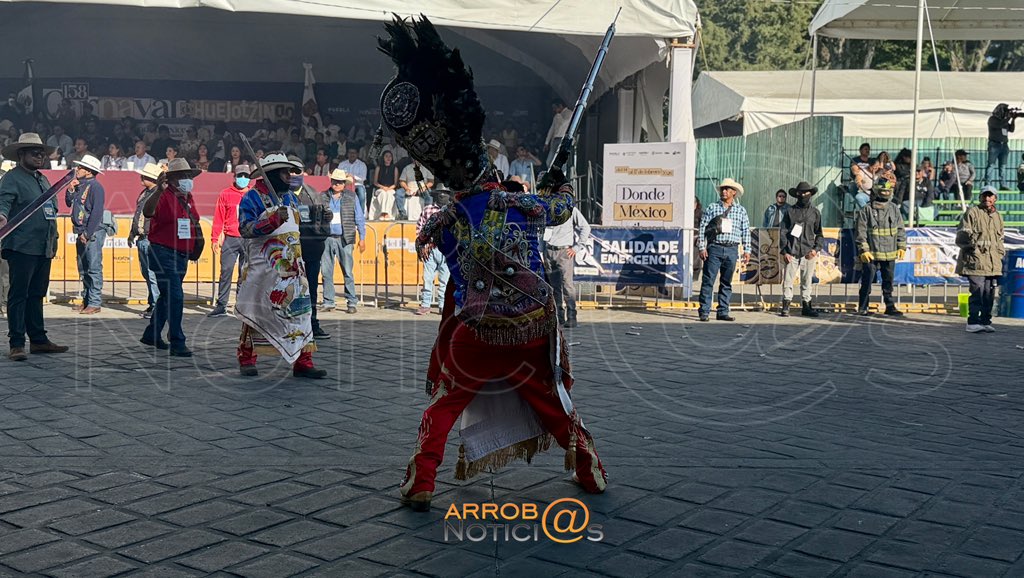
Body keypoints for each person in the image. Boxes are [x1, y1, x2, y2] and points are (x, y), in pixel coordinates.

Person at [379, 15, 606, 512]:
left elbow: (451, 247)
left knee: (444, 404)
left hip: (475, 328)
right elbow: (561, 210)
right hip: (527, 326)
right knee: (552, 403)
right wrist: (559, 185)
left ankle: (422, 478)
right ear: (489, 169)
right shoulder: (519, 205)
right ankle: (590, 470)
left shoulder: (447, 220)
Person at [234, 153, 326, 378]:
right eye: (285, 173)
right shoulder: (251, 199)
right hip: (263, 268)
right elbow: (245, 229)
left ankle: (303, 361)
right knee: (256, 310)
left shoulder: (291, 199)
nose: (290, 177)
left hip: (293, 267)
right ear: (271, 175)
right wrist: (270, 220)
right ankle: (247, 357)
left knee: (302, 312)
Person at [0, 133, 69, 361]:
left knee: (37, 293)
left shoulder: (43, 179)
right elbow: (4, 202)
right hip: (22, 245)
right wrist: (1, 215)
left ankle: (38, 339)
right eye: (34, 152)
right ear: (22, 155)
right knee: (19, 294)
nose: (40, 156)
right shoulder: (12, 178)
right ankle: (17, 342)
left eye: (41, 153)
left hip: (44, 246)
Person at [140, 158, 202, 357]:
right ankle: (177, 340)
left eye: (188, 176)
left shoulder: (188, 197)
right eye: (183, 176)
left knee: (167, 296)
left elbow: (195, 221)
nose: (187, 179)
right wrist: (158, 190)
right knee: (175, 295)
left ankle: (152, 333)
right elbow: (148, 212)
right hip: (162, 251)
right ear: (173, 179)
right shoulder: (163, 196)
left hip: (181, 253)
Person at [697, 178, 751, 322]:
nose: (724, 191)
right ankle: (704, 311)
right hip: (714, 247)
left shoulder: (741, 211)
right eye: (723, 189)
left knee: (726, 282)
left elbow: (745, 230)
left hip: (732, 249)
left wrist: (747, 250)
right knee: (708, 281)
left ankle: (723, 311)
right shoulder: (712, 207)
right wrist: (702, 247)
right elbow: (702, 227)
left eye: (727, 189)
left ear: (734, 192)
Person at [956, 186, 1005, 333]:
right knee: (977, 291)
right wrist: (973, 248)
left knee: (989, 293)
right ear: (980, 197)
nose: (987, 198)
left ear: (995, 198)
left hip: (992, 263)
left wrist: (999, 254)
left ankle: (985, 321)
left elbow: (1000, 239)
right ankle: (972, 322)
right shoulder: (972, 213)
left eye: (990, 196)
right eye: (984, 195)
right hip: (975, 261)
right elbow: (962, 236)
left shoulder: (998, 216)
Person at [854, 180, 906, 317]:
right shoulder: (867, 209)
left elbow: (900, 229)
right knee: (867, 281)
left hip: (889, 253)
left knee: (888, 281)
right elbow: (861, 231)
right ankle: (863, 306)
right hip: (872, 253)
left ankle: (889, 306)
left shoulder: (894, 208)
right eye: (883, 191)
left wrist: (901, 246)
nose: (885, 194)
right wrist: (863, 249)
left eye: (887, 192)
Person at [294, 167, 334, 340]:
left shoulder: (313, 194)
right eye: (291, 172)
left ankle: (312, 324)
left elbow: (326, 216)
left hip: (312, 249)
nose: (295, 176)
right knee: (289, 290)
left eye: (298, 172)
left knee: (311, 288)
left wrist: (327, 217)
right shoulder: (280, 194)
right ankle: (290, 326)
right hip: (290, 251)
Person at [65, 154, 106, 314]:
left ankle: (94, 301)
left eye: (81, 167)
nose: (78, 169)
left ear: (89, 171)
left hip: (91, 232)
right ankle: (87, 299)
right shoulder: (80, 185)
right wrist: (70, 190)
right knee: (83, 268)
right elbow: (69, 203)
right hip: (81, 230)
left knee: (94, 267)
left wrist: (88, 233)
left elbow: (97, 212)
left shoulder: (96, 187)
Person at [209, 164, 251, 317]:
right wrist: (214, 238)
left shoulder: (253, 194)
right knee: (226, 271)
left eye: (246, 176)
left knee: (244, 273)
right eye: (240, 176)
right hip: (231, 238)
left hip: (248, 238)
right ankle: (221, 305)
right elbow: (219, 218)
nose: (243, 179)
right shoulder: (225, 194)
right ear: (234, 177)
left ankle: (241, 305)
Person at [320, 169, 365, 314]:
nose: (337, 184)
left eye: (340, 182)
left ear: (344, 184)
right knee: (326, 272)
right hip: (327, 237)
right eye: (335, 181)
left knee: (347, 271)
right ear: (331, 181)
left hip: (345, 238)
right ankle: (328, 302)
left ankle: (351, 301)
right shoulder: (322, 196)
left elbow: (359, 218)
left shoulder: (352, 197)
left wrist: (362, 237)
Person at [779, 182, 823, 318]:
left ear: (810, 194)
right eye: (801, 193)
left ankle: (806, 306)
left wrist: (816, 249)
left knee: (807, 280)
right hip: (792, 251)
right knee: (788, 280)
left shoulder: (815, 212)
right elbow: (783, 232)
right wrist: (785, 251)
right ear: (797, 194)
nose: (804, 195)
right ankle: (786, 305)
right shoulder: (790, 211)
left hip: (808, 252)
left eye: (806, 193)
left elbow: (819, 233)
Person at [543, 205, 591, 328]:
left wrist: (577, 247)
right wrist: (541, 250)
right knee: (553, 287)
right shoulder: (546, 208)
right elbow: (542, 230)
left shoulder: (570, 209)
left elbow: (586, 227)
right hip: (548, 250)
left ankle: (571, 317)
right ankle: (558, 317)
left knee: (567, 285)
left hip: (564, 251)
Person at [127, 163, 162, 319]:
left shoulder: (157, 195)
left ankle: (156, 306)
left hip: (150, 238)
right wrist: (132, 234)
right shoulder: (145, 193)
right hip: (142, 237)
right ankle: (152, 303)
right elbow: (137, 216)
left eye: (144, 176)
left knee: (152, 274)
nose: (141, 178)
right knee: (147, 273)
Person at [414, 191, 450, 316]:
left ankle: (442, 305)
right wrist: (422, 245)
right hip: (430, 249)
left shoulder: (452, 210)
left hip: (446, 250)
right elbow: (420, 228)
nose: (442, 196)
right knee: (428, 278)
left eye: (444, 194)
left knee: (444, 280)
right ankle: (425, 304)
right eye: (440, 194)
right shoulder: (428, 209)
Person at [985, 103, 1016, 190]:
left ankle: (1003, 184)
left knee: (1003, 166)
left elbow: (1011, 129)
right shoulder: (992, 119)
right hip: (994, 145)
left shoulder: (1004, 121)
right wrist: (1008, 117)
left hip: (1004, 145)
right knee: (991, 165)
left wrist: (1013, 119)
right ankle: (988, 184)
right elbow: (999, 125)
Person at [337, 147, 368, 217]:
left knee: (361, 193)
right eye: (350, 153)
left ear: (357, 154)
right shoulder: (342, 164)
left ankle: (360, 215)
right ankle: (340, 214)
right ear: (347, 154)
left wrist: (352, 176)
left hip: (357, 185)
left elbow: (363, 178)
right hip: (344, 185)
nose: (352, 155)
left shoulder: (362, 165)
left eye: (354, 153)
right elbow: (338, 176)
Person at [370, 150, 399, 220]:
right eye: (386, 156)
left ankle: (386, 213)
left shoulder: (395, 168)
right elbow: (375, 182)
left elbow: (395, 183)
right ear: (383, 158)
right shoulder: (378, 167)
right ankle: (383, 213)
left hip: (391, 188)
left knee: (389, 194)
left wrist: (389, 188)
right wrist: (383, 187)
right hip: (380, 188)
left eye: (390, 156)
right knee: (383, 193)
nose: (388, 158)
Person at [544, 98, 572, 165]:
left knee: (561, 161)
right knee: (549, 161)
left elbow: (562, 124)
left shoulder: (569, 113)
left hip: (563, 139)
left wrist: (558, 115)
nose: (554, 110)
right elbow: (552, 129)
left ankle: (560, 175)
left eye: (555, 107)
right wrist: (547, 142)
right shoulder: (556, 116)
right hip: (555, 139)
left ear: (560, 106)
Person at [850, 142, 874, 208]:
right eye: (865, 149)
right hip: (857, 180)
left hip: (868, 181)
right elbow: (855, 171)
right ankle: (858, 200)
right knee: (851, 186)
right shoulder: (855, 160)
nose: (868, 151)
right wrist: (863, 173)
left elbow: (874, 170)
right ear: (860, 150)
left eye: (869, 149)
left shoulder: (871, 160)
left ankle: (864, 207)